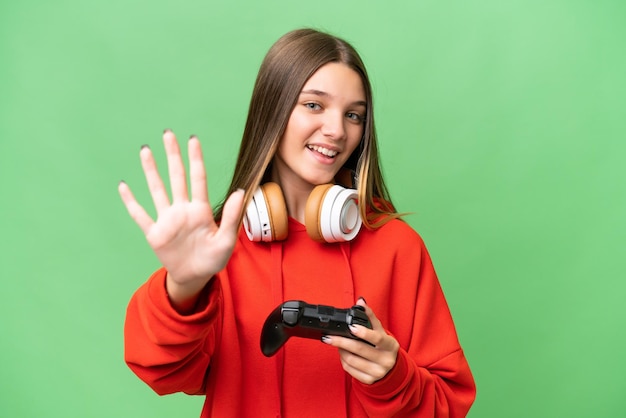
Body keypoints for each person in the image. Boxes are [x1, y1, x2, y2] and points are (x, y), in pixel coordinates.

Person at [118, 28, 476, 417]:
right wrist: (184, 287)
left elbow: (448, 404)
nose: (337, 131)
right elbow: (163, 373)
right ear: (273, 109)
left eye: (353, 115)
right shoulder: (217, 247)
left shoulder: (397, 245)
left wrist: (394, 376)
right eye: (314, 105)